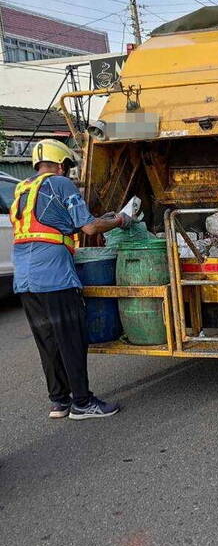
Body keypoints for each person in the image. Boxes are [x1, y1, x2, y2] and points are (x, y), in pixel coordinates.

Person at [11, 139, 131, 420]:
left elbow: (54, 220)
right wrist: (119, 221)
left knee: (48, 340)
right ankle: (82, 401)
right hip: (54, 275)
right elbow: (88, 226)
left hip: (25, 277)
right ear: (62, 165)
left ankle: (59, 401)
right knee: (71, 338)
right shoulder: (61, 184)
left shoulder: (22, 187)